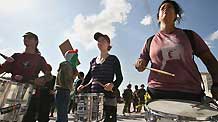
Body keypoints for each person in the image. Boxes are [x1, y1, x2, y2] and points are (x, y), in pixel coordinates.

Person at [135, 0, 218, 103]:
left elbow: (210, 60)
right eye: (162, 8)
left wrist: (216, 83)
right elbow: (142, 60)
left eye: (169, 7)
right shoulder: (150, 41)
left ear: (176, 16)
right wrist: (139, 63)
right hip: (157, 93)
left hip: (190, 94)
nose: (165, 8)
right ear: (158, 17)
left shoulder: (189, 35)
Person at [0, 32, 52, 122]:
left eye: (29, 37)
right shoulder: (16, 56)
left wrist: (41, 79)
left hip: (30, 95)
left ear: (36, 41)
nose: (26, 39)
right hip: (13, 94)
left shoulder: (40, 59)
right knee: (7, 119)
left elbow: (49, 76)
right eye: (25, 37)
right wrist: (7, 63)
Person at [77, 32, 123, 122]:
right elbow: (88, 77)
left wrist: (112, 85)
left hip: (108, 98)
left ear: (108, 44)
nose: (99, 42)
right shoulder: (93, 61)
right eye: (98, 41)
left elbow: (120, 78)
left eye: (102, 40)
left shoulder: (113, 59)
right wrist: (81, 85)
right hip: (94, 98)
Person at [55, 49, 79, 122]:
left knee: (61, 113)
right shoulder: (70, 66)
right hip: (65, 90)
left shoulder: (65, 65)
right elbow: (69, 79)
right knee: (63, 113)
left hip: (61, 90)